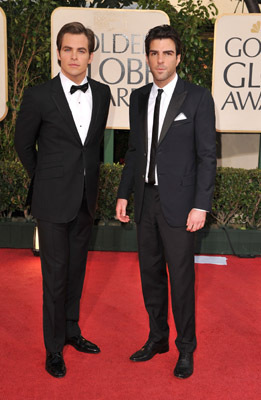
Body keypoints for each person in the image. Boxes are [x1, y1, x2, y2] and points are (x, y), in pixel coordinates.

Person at [116, 25, 216, 379]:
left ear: (178, 58)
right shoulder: (139, 96)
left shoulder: (197, 98)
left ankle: (185, 347)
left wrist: (201, 204)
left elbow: (207, 155)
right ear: (147, 57)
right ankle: (157, 337)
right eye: (154, 53)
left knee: (182, 279)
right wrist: (124, 193)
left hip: (181, 204)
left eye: (167, 53)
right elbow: (133, 150)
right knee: (150, 276)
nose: (160, 60)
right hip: (145, 200)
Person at [15, 22, 111, 378]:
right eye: (68, 49)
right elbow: (22, 144)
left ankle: (71, 330)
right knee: (54, 277)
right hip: (52, 202)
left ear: (90, 55)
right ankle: (53, 348)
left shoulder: (102, 93)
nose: (74, 56)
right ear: (58, 52)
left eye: (81, 50)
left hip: (86, 199)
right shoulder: (39, 95)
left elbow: (92, 146)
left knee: (76, 272)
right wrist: (46, 179)